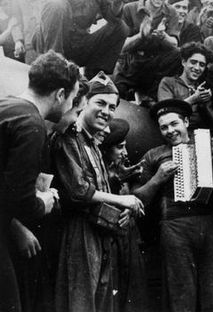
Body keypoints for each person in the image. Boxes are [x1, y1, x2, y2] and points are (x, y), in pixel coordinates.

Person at [52, 72, 144, 312]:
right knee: (81, 303)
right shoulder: (68, 138)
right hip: (79, 233)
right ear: (84, 104)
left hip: (101, 230)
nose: (107, 111)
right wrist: (123, 199)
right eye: (100, 103)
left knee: (102, 302)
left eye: (112, 107)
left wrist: (121, 209)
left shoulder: (92, 142)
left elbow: (102, 189)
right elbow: (79, 191)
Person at [132, 99, 213, 311]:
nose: (170, 131)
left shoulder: (210, 147)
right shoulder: (153, 155)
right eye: (164, 127)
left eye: (174, 124)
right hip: (174, 226)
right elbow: (137, 198)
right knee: (181, 293)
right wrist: (157, 178)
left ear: (186, 122)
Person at [0, 50, 80, 312]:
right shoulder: (32, 124)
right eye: (72, 98)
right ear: (59, 94)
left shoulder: (7, 107)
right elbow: (19, 200)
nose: (70, 107)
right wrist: (42, 202)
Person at [98, 118, 148, 312]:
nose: (125, 153)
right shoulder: (99, 173)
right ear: (105, 149)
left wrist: (131, 210)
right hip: (109, 242)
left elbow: (137, 203)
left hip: (129, 240)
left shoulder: (122, 169)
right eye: (119, 148)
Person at [33, 0, 128, 78]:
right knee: (56, 4)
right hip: (52, 43)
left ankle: (96, 78)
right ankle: (53, 67)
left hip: (77, 46)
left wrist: (117, 2)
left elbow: (113, 18)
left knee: (121, 28)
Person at [158, 42, 213, 129]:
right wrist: (193, 99)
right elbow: (167, 113)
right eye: (193, 62)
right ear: (183, 62)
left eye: (202, 65)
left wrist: (204, 103)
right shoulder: (168, 83)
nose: (197, 68)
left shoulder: (202, 89)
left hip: (200, 135)